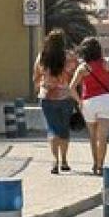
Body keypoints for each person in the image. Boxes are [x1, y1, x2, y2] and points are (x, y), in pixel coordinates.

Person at [70, 37, 109, 175]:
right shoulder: (107, 65)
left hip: (89, 103)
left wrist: (79, 101)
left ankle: (95, 163)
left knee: (93, 136)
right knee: (102, 137)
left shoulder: (83, 68)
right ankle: (101, 165)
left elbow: (71, 88)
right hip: (106, 101)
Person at [33, 29, 78, 174]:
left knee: (52, 129)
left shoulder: (43, 57)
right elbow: (75, 77)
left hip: (47, 98)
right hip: (66, 98)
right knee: (64, 129)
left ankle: (55, 161)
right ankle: (64, 160)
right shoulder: (70, 57)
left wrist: (39, 88)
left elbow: (36, 76)